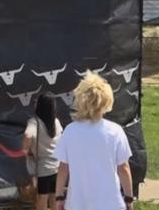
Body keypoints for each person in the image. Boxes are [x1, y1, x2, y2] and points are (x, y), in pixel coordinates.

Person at [53, 74, 134, 210]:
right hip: (110, 204)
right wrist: (129, 198)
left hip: (77, 204)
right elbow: (123, 168)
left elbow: (63, 167)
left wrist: (59, 197)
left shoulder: (70, 131)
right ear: (106, 101)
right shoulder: (115, 131)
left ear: (80, 100)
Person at [23, 92, 63, 210]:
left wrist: (25, 150)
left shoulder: (34, 122)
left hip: (43, 170)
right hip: (57, 167)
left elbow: (28, 135)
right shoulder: (56, 121)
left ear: (39, 105)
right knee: (54, 200)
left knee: (42, 202)